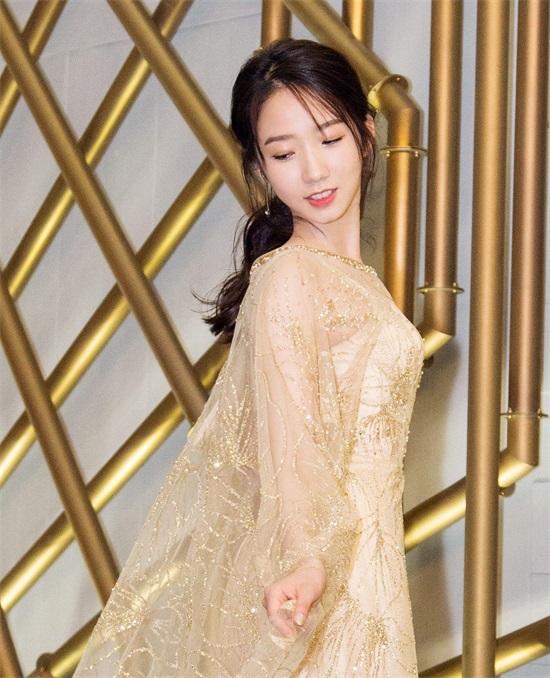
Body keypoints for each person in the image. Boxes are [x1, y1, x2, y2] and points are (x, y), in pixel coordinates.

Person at [74, 38, 424, 677]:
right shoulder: (289, 276)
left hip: (372, 580)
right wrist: (308, 558)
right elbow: (289, 446)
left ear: (367, 134)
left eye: (330, 139)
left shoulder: (360, 283)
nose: (313, 172)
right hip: (327, 588)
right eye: (284, 153)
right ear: (260, 164)